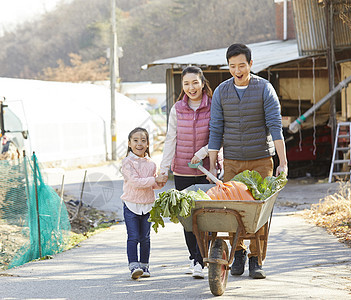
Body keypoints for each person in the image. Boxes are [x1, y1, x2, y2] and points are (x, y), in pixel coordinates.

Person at [207, 43, 288, 279]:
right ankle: (239, 252)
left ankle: (256, 258)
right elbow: (216, 130)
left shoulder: (264, 89)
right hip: (232, 160)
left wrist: (282, 162)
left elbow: (275, 126)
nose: (237, 70)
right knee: (233, 210)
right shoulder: (222, 92)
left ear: (251, 64)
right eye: (232, 66)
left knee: (258, 210)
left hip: (261, 159)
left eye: (241, 65)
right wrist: (212, 164)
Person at [157, 66, 220, 279]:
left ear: (203, 83)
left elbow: (218, 135)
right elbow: (170, 139)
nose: (191, 87)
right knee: (188, 219)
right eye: (186, 83)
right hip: (183, 171)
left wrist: (202, 153)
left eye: (195, 82)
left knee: (208, 218)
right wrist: (163, 169)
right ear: (182, 86)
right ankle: (196, 259)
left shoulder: (214, 106)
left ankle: (208, 257)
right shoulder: (177, 108)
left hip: (206, 171)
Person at [121, 127, 163, 280]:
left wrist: (160, 182)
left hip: (147, 205)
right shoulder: (127, 162)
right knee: (133, 237)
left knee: (145, 237)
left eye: (143, 140)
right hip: (131, 204)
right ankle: (134, 266)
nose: (139, 143)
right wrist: (154, 180)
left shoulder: (151, 164)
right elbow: (135, 182)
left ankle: (144, 266)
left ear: (147, 144)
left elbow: (152, 184)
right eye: (136, 140)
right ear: (129, 143)